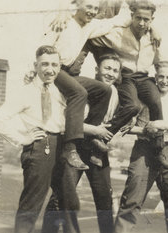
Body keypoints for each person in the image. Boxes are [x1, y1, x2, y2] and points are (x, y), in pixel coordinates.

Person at [29, 0, 132, 170]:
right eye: (89, 7)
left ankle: (90, 138)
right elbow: (41, 47)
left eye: (95, 9)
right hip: (53, 69)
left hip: (68, 73)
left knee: (104, 90)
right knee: (79, 93)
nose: (92, 11)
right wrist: (32, 71)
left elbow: (119, 20)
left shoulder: (90, 26)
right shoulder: (62, 21)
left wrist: (153, 29)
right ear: (78, 5)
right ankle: (70, 149)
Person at [41, 53, 122, 233]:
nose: (111, 74)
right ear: (96, 70)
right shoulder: (80, 89)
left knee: (104, 199)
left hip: (96, 150)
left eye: (115, 71)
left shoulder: (115, 93)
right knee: (62, 197)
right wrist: (96, 130)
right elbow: (65, 122)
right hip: (75, 147)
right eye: (107, 68)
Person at [0, 45, 67, 233]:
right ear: (36, 65)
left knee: (61, 200)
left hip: (62, 145)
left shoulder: (61, 89)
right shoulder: (24, 91)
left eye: (55, 65)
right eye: (45, 64)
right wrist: (22, 139)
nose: (50, 69)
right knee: (31, 205)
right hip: (41, 147)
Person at [89, 0, 168, 169]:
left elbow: (159, 61)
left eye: (146, 20)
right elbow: (92, 37)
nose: (142, 23)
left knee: (156, 102)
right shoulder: (119, 33)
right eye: (138, 18)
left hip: (143, 77)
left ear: (152, 20)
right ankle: (100, 141)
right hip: (126, 77)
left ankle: (158, 150)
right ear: (131, 16)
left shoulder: (153, 37)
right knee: (132, 106)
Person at [114, 61, 168, 233]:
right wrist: (146, 130)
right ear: (155, 76)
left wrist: (158, 124)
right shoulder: (141, 94)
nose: (164, 81)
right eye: (161, 76)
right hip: (143, 150)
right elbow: (126, 126)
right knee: (131, 201)